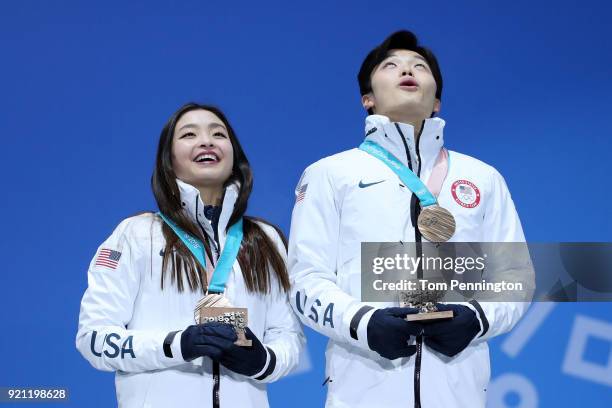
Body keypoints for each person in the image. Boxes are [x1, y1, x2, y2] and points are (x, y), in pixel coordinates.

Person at [288, 30, 529, 407]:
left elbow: (515, 277)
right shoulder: (330, 174)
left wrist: (477, 318)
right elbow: (305, 281)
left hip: (459, 390)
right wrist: (364, 323)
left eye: (420, 66)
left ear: (437, 102)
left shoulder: (483, 177)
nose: (408, 70)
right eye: (391, 65)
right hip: (364, 388)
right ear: (367, 99)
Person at [76, 103, 304, 408]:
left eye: (218, 134)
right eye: (189, 134)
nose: (206, 141)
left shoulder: (265, 239)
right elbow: (94, 339)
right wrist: (177, 344)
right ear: (169, 160)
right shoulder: (136, 234)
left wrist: (263, 361)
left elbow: (288, 336)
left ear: (234, 154)